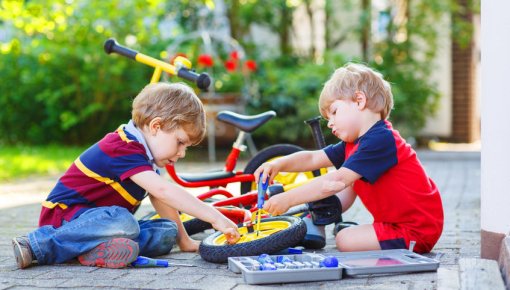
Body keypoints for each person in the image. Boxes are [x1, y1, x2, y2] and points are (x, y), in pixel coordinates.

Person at [12, 82, 240, 269]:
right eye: (180, 142)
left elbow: (161, 197)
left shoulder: (145, 154)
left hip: (101, 223)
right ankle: (37, 245)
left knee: (166, 231)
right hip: (65, 220)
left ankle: (91, 251)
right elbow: (163, 190)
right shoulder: (122, 146)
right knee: (125, 222)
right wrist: (214, 216)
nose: (181, 153)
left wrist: (184, 240)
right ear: (156, 126)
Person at [255, 63, 444, 253]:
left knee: (344, 239)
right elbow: (313, 159)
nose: (330, 123)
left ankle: (326, 221)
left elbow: (335, 181)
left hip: (416, 230)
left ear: (359, 101)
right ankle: (317, 216)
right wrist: (278, 163)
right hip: (396, 223)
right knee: (348, 174)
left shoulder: (382, 139)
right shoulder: (354, 144)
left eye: (334, 112)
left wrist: (288, 199)